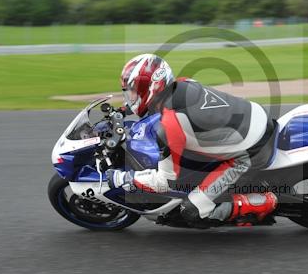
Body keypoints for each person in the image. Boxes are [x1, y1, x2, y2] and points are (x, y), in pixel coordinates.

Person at [107, 53, 278, 227]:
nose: (131, 98)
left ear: (150, 88)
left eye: (134, 92)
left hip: (252, 151)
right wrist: (124, 110)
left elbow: (165, 182)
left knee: (193, 210)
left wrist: (124, 179)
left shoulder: (170, 126)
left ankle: (264, 201)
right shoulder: (183, 84)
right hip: (257, 117)